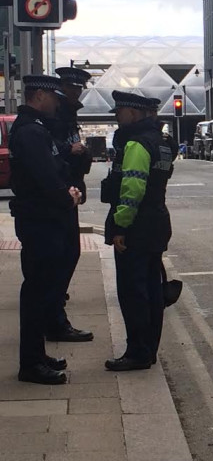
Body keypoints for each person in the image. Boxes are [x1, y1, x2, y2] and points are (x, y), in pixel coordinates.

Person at [10, 76, 82, 385]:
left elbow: (58, 169)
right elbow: (45, 176)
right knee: (37, 293)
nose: (57, 102)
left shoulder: (37, 129)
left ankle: (37, 356)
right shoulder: (30, 132)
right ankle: (30, 364)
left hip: (45, 219)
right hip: (40, 221)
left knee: (42, 290)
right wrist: (68, 196)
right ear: (39, 95)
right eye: (53, 96)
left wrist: (67, 189)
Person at [102, 91, 174, 371]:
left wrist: (121, 226)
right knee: (153, 291)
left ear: (133, 112)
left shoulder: (136, 144)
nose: (118, 117)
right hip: (157, 221)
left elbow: (132, 189)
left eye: (119, 112)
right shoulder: (162, 142)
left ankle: (137, 351)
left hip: (137, 226)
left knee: (133, 292)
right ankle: (148, 349)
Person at [43, 66, 95, 342]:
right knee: (63, 255)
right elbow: (51, 149)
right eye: (72, 87)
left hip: (70, 187)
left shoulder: (68, 112)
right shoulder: (57, 112)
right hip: (61, 192)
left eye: (79, 88)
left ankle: (53, 311)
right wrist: (70, 150)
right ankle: (54, 317)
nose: (75, 92)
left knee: (68, 253)